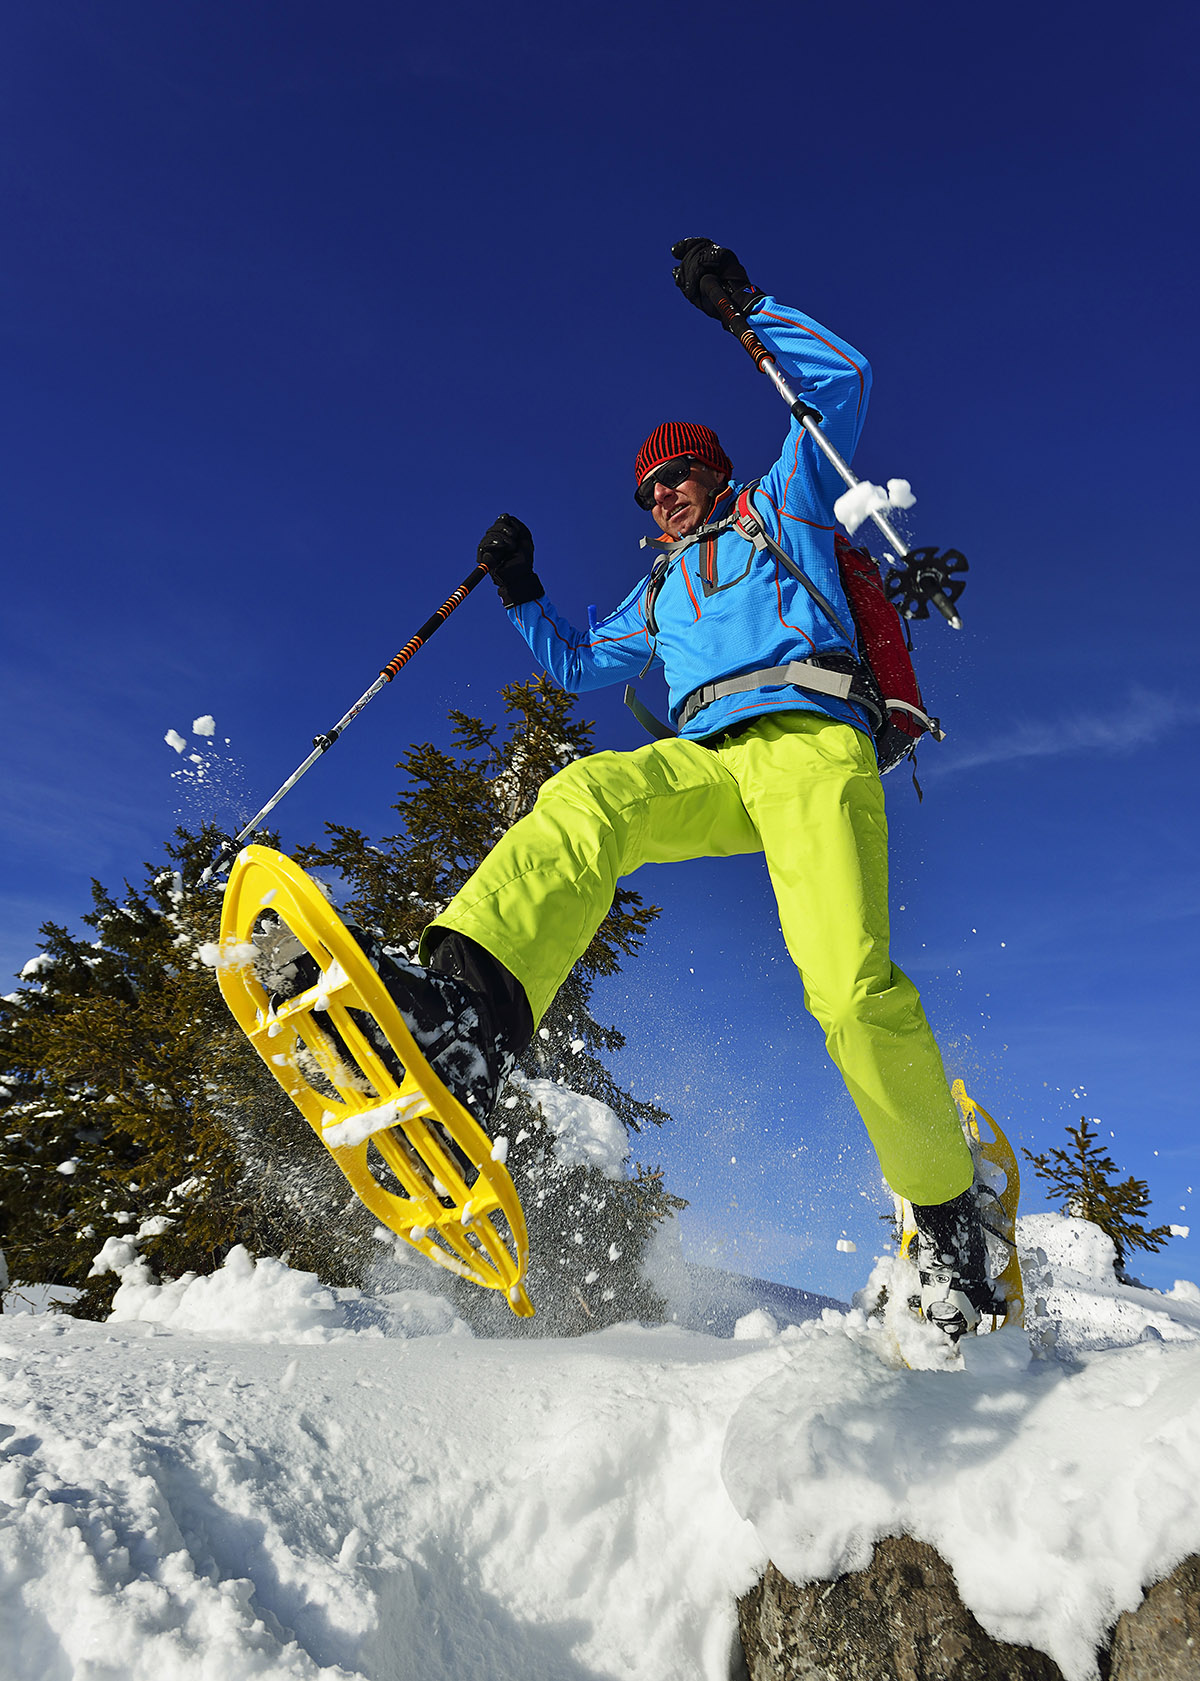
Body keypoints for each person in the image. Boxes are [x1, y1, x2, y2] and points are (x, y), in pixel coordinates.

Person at [273, 240, 1000, 1341]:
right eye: (649, 488)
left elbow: (842, 381)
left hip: (811, 743)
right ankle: (464, 1018)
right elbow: (576, 665)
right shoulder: (659, 589)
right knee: (589, 796)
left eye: (678, 476)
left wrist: (744, 307)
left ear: (714, 471)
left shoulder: (783, 502)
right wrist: (522, 589)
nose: (662, 496)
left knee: (848, 990)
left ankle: (949, 1224)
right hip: (710, 764)